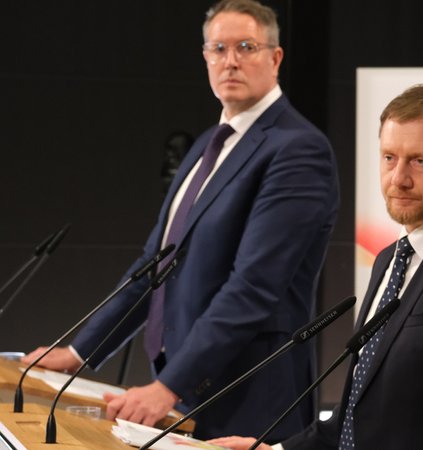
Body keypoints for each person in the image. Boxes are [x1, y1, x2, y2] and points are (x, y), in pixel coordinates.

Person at [21, 0, 339, 441]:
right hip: (184, 388)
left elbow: (254, 286)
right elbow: (154, 266)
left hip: (249, 394)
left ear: (275, 57)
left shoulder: (297, 150)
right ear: (206, 57)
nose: (231, 61)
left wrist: (169, 386)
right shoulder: (209, 143)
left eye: (246, 47)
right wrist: (79, 351)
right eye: (218, 48)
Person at [208, 84, 423, 450]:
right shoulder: (388, 260)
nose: (398, 178)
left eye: (419, 161)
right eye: (389, 158)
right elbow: (353, 420)